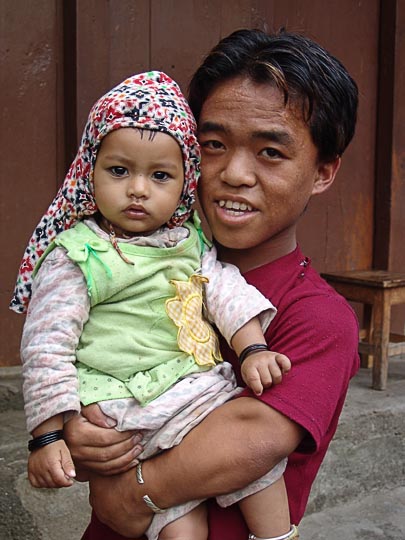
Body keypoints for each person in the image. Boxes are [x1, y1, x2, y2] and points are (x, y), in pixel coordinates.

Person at [60, 28, 360, 540]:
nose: (233, 173)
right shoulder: (127, 269)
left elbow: (251, 435)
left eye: (270, 152)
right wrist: (76, 432)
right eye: (213, 145)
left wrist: (132, 493)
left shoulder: (317, 316)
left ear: (324, 171)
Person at [13, 71, 297, 540]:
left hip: (191, 394)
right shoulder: (79, 254)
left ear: (186, 183)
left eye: (160, 175)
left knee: (241, 486)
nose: (139, 189)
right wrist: (47, 436)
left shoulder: (189, 243)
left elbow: (223, 290)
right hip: (122, 412)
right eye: (119, 171)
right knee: (200, 508)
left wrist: (252, 349)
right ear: (89, 171)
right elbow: (47, 346)